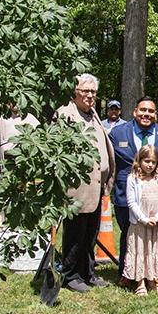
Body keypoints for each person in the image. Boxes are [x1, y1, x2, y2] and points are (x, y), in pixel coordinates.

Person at [54, 73, 115, 293]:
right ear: (75, 92)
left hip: (96, 187)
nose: (89, 95)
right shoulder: (65, 115)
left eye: (93, 92)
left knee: (91, 233)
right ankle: (70, 275)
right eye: (85, 91)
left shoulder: (93, 115)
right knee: (75, 234)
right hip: (77, 188)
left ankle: (87, 272)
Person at [110, 96, 158, 279]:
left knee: (152, 235)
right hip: (125, 194)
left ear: (156, 114)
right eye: (143, 110)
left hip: (154, 197)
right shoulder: (118, 133)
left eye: (151, 111)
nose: (146, 114)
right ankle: (127, 273)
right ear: (135, 112)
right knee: (129, 234)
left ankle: (152, 273)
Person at [123, 146, 158, 296]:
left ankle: (152, 280)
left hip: (157, 223)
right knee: (141, 250)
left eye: (153, 162)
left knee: (154, 250)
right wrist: (144, 219)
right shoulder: (133, 179)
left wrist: (157, 216)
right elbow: (131, 202)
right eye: (147, 161)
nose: (150, 165)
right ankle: (140, 282)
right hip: (140, 223)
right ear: (139, 160)